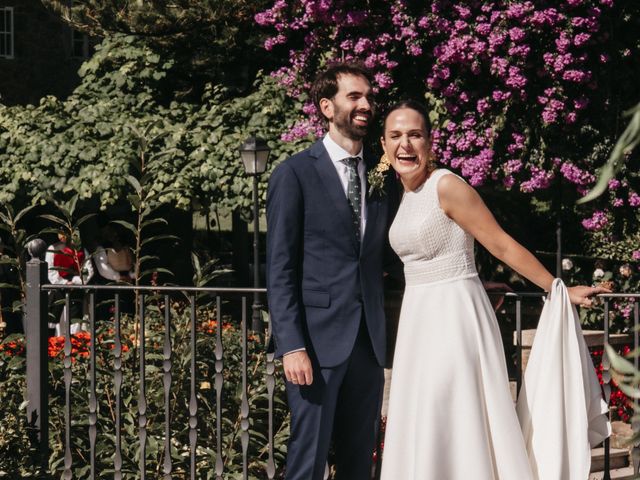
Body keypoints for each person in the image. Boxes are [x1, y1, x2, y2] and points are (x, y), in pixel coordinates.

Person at [378, 100, 610, 479]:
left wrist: (556, 287)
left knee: (456, 414)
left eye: (415, 135)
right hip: (418, 321)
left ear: (430, 142)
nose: (405, 144)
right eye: (396, 136)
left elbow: (500, 244)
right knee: (427, 418)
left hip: (455, 319)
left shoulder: (447, 185)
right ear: (384, 145)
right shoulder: (402, 196)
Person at [266, 62, 396, 480]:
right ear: (326, 106)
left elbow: (393, 257)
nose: (365, 104)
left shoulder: (383, 177)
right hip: (315, 345)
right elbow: (280, 268)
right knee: (308, 459)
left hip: (368, 344)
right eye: (353, 96)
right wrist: (291, 345)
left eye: (369, 97)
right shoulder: (294, 174)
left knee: (360, 464)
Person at [45, 229, 94, 335]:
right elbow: (50, 270)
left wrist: (75, 282)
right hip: (58, 288)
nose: (61, 236)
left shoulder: (81, 250)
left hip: (76, 287)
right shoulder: (53, 249)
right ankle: (50, 344)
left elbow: (88, 270)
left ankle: (73, 344)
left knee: (75, 319)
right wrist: (63, 282)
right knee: (53, 318)